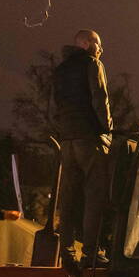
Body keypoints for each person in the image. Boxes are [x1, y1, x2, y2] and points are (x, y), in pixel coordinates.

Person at [52, 29, 113, 264]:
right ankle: (91, 252)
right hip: (89, 138)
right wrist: (106, 130)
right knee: (94, 196)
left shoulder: (60, 70)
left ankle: (65, 251)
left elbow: (55, 104)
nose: (101, 50)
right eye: (98, 44)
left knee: (68, 197)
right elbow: (100, 98)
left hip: (67, 140)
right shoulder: (92, 64)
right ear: (87, 44)